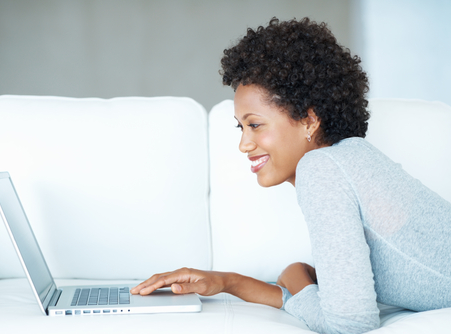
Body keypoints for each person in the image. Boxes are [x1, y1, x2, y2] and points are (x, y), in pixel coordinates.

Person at [130, 17, 451, 334]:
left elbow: (350, 324)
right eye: (240, 127)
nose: (244, 144)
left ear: (309, 120)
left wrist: (296, 276)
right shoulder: (347, 160)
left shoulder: (322, 169)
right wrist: (229, 282)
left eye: (254, 124)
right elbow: (339, 287)